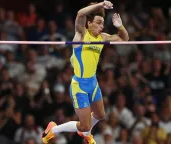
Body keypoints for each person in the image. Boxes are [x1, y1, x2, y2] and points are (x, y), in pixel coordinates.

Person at [41, 1, 129, 144]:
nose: (102, 26)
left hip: (93, 83)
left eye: (102, 23)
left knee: (100, 115)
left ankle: (86, 133)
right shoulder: (81, 35)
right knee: (84, 124)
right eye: (98, 23)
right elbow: (80, 14)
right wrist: (100, 4)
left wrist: (120, 26)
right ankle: (53, 129)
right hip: (80, 86)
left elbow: (125, 39)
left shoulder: (102, 38)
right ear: (88, 23)